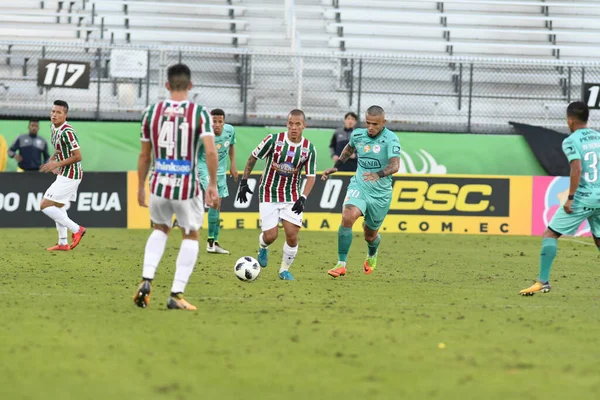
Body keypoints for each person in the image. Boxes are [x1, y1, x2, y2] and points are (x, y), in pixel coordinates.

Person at [133, 63, 218, 311]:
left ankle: (146, 279)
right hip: (187, 187)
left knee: (160, 228)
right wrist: (212, 184)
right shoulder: (199, 113)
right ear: (190, 86)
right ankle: (176, 294)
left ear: (167, 85)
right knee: (190, 234)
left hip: (159, 184)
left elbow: (144, 156)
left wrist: (140, 186)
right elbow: (211, 151)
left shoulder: (151, 112)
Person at [520, 101, 600, 295]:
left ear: (570, 120)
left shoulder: (571, 140)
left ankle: (543, 282)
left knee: (550, 234)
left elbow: (577, 168)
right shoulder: (598, 137)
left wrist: (571, 197)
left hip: (584, 197)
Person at [236, 109, 317, 281]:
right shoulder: (273, 140)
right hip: (268, 192)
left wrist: (303, 197)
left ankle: (283, 270)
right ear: (287, 124)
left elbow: (311, 177)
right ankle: (263, 245)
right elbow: (253, 157)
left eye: (298, 124)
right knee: (271, 236)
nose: (294, 127)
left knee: (292, 235)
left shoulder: (309, 149)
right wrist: (244, 181)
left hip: (292, 195)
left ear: (304, 126)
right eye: (290, 123)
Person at [322, 105, 401, 277]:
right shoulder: (358, 134)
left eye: (375, 124)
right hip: (359, 185)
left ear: (383, 122)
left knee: (370, 235)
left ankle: (372, 253)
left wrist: (378, 174)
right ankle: (341, 264)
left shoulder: (391, 139)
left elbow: (395, 165)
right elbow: (349, 149)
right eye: (368, 123)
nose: (370, 127)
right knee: (348, 216)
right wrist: (337, 166)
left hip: (380, 194)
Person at [39, 101, 86, 251]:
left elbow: (78, 156)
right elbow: (60, 148)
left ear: (65, 115)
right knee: (58, 206)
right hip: (65, 173)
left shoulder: (68, 132)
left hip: (71, 175)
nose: (54, 115)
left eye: (59, 113)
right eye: (53, 111)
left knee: (45, 206)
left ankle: (77, 229)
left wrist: (56, 165)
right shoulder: (54, 127)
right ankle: (63, 242)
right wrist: (53, 159)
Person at [198, 108, 237, 254]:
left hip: (220, 170)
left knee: (218, 205)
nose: (217, 124)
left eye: (220, 121)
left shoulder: (230, 130)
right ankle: (210, 242)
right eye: (214, 121)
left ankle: (215, 242)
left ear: (224, 122)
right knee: (214, 201)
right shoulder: (204, 135)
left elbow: (232, 145)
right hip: (204, 168)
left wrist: (233, 165)